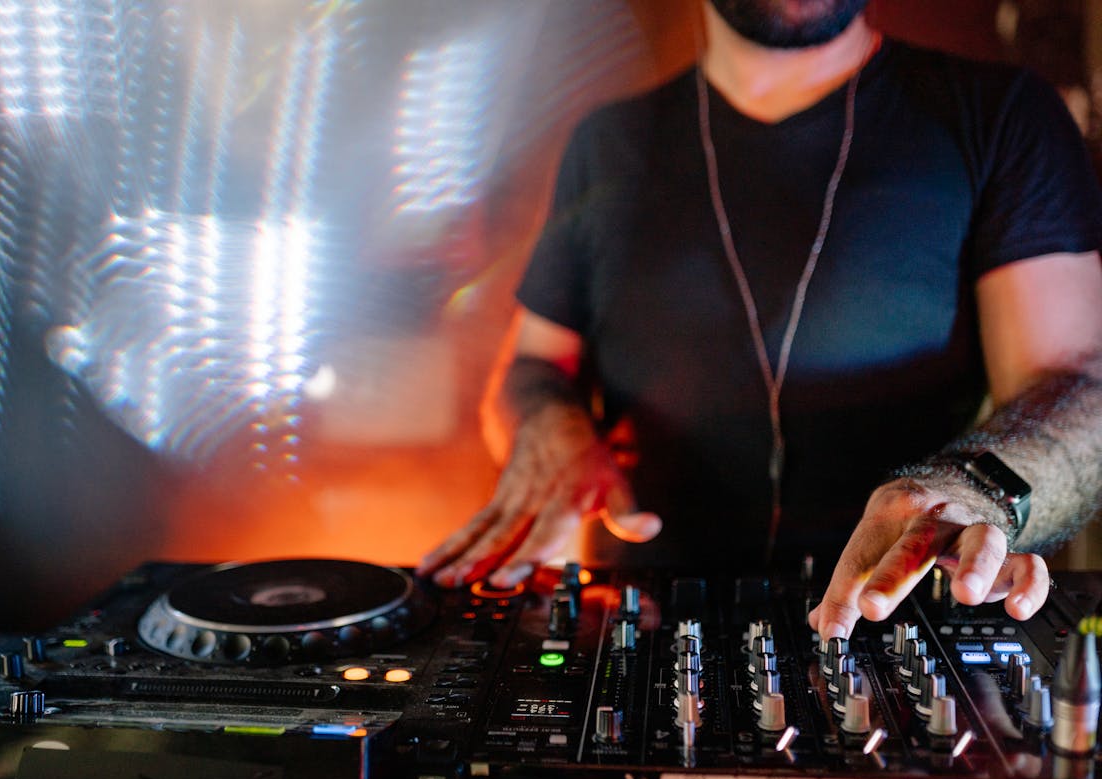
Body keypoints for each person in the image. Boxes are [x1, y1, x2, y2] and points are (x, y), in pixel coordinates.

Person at [416, 0, 1102, 643]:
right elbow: (534, 365)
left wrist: (970, 489)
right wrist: (548, 423)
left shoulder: (1002, 116)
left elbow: (1078, 386)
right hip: (641, 628)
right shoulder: (608, 142)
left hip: (895, 618)